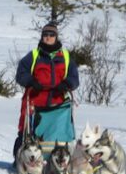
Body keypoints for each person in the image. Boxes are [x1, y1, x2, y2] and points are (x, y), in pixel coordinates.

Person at [13, 21, 80, 160]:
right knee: (25, 132)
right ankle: (21, 159)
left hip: (58, 104)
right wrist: (31, 82)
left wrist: (67, 84)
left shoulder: (66, 57)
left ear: (56, 37)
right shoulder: (34, 55)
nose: (48, 37)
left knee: (57, 135)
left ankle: (56, 159)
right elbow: (21, 73)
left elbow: (74, 77)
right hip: (35, 102)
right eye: (45, 34)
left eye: (51, 34)